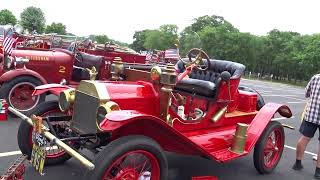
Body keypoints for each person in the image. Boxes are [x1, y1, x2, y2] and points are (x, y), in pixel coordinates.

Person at [293, 74, 320, 179]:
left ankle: (297, 163)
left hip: (311, 115)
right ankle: (318, 171)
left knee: (304, 138)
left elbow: (307, 93)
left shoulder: (316, 77)